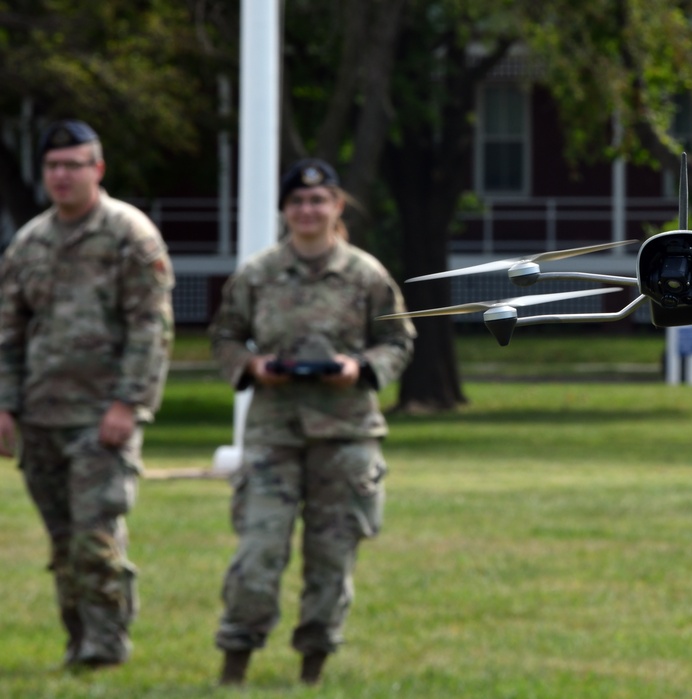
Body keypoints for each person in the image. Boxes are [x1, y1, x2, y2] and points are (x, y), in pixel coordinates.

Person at [210, 157, 416, 686]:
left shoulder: (366, 276)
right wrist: (254, 367)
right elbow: (225, 336)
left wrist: (361, 367)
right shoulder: (256, 275)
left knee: (331, 559)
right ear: (285, 210)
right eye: (298, 201)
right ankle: (235, 662)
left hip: (345, 434)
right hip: (273, 433)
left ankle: (313, 671)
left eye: (319, 200)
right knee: (258, 553)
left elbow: (398, 338)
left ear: (337, 206)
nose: (308, 209)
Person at [0, 119, 175, 668]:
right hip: (42, 414)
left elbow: (152, 327)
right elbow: (8, 333)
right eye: (54, 166)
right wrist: (4, 406)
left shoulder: (129, 234)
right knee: (61, 542)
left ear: (96, 169)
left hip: (102, 416)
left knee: (94, 537)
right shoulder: (29, 242)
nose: (62, 175)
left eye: (74, 165)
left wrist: (129, 403)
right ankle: (77, 641)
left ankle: (105, 647)